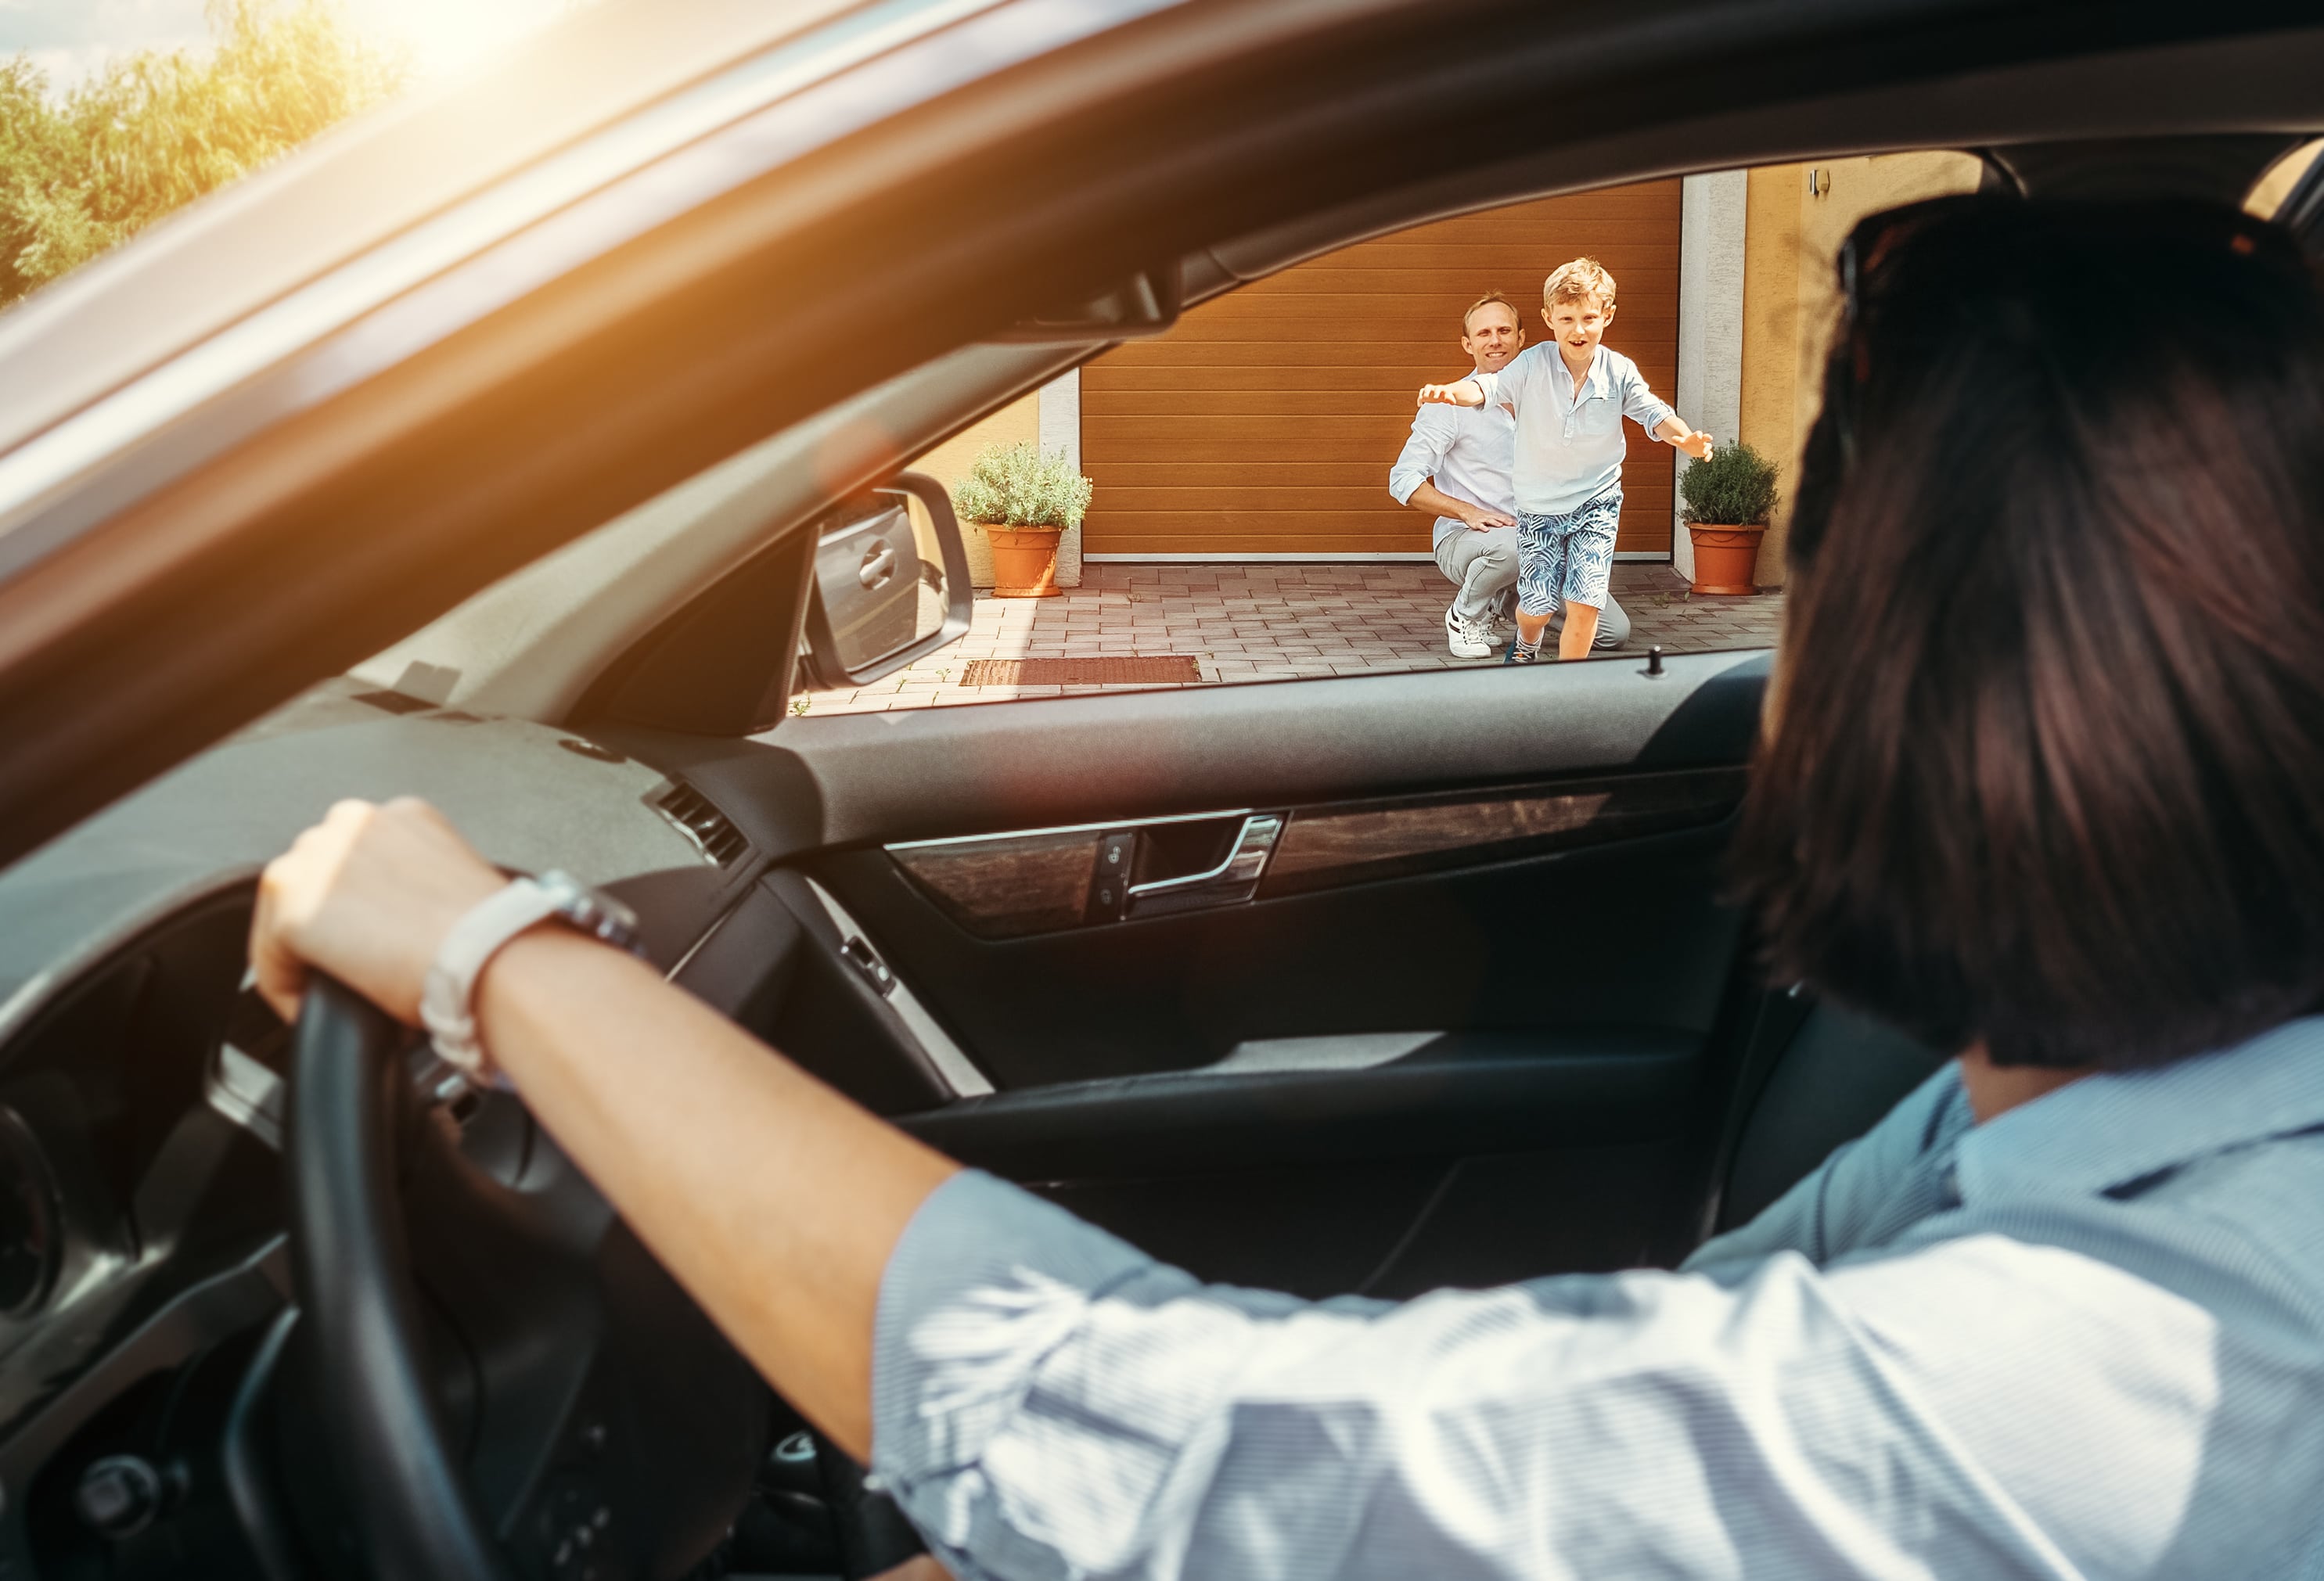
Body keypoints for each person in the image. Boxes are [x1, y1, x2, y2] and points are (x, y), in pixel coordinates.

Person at [254, 196, 2324, 1577]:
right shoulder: (2061, 1129)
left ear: (1907, 677)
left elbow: (1213, 1460)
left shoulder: (2142, 1366)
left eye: (1816, 583)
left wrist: (495, 954)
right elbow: (1645, 1374)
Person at [1419, 258, 1711, 661]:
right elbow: (1486, 388)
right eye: (1567, 319)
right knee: (1536, 609)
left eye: (1589, 318)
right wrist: (1452, 393)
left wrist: (1686, 439)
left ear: (1607, 316)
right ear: (1549, 319)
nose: (1579, 330)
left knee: (1587, 606)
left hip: (1596, 505)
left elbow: (1655, 414)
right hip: (1537, 511)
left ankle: (1567, 679)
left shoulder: (1619, 371)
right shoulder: (1531, 365)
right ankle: (1522, 637)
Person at [1389, 292, 1631, 658]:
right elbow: (1404, 481)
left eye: (1504, 331)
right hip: (1468, 541)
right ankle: (1464, 616)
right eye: (1484, 333)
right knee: (1515, 545)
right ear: (1468, 344)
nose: (1495, 341)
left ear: (1521, 338)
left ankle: (1502, 600)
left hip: (1541, 542)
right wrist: (1467, 511)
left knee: (1613, 633)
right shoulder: (1449, 408)